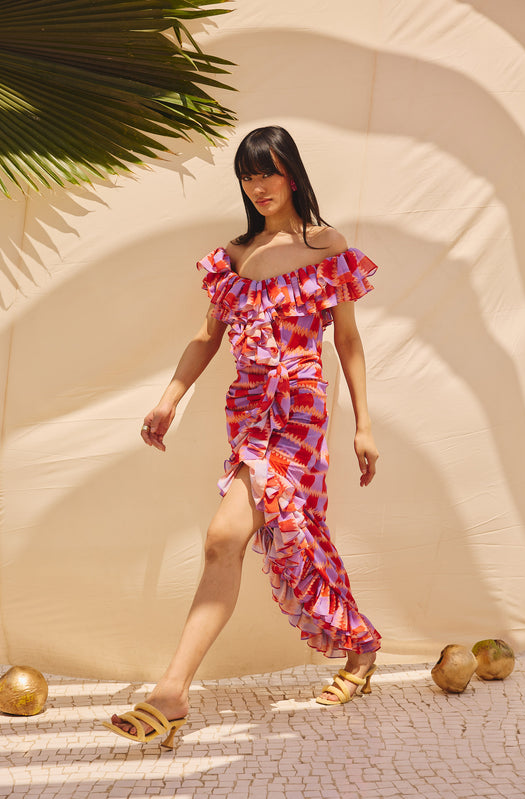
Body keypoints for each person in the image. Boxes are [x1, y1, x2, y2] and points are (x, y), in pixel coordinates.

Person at [103, 125, 381, 748]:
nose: (259, 186)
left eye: (269, 172)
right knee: (295, 536)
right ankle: (361, 646)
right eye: (248, 176)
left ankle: (171, 693)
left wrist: (364, 424)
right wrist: (168, 400)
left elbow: (347, 339)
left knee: (227, 537)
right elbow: (208, 337)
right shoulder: (234, 256)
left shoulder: (326, 245)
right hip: (251, 415)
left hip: (299, 416)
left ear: (293, 174)